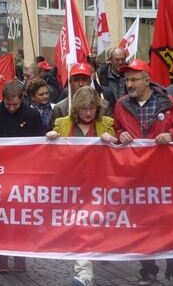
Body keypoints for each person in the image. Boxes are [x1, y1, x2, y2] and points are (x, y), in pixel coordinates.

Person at [112, 59, 173, 286]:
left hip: (165, 175)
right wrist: (120, 135)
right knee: (142, 224)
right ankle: (147, 269)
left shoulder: (169, 103)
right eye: (127, 79)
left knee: (171, 223)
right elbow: (116, 128)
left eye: (134, 79)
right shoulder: (121, 105)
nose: (129, 84)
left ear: (147, 80)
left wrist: (172, 135)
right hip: (136, 176)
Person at [45, 86, 116, 286]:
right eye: (84, 109)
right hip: (73, 185)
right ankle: (84, 274)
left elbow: (119, 152)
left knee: (92, 227)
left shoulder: (107, 124)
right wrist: (51, 139)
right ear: (76, 108)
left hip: (99, 184)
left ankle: (89, 266)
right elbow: (51, 156)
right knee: (82, 227)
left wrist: (112, 140)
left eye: (92, 108)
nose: (88, 113)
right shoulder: (61, 123)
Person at [0, 80, 44, 273]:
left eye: (15, 104)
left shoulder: (32, 115)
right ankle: (1, 257)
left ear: (22, 100)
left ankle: (20, 256)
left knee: (22, 218)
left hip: (23, 173)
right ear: (2, 99)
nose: (11, 108)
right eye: (8, 104)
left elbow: (40, 143)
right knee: (0, 218)